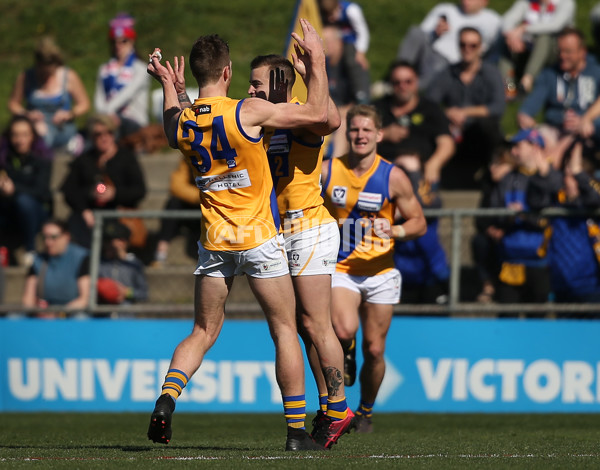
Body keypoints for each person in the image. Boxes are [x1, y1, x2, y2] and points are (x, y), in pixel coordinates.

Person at [146, 19, 335, 451]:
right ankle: (294, 432)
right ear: (228, 72)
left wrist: (168, 88)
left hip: (213, 243)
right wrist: (318, 64)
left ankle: (166, 400)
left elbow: (171, 128)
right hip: (259, 239)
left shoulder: (186, 119)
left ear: (196, 74)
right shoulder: (246, 111)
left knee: (203, 330)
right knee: (285, 329)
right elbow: (318, 115)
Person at [247, 54, 354, 447]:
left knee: (315, 324)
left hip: (308, 226)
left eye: (257, 84)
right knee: (301, 330)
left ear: (279, 84)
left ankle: (340, 408)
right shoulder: (262, 123)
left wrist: (316, 69)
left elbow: (329, 119)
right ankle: (328, 407)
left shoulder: (299, 116)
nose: (251, 91)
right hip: (280, 231)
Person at [321, 104, 427, 433]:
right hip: (343, 266)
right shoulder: (327, 171)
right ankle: (346, 355)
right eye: (354, 130)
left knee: (376, 348)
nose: (360, 135)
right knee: (342, 330)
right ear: (346, 133)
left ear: (379, 135)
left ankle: (366, 411)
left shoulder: (392, 176)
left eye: (367, 130)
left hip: (381, 271)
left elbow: (419, 222)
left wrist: (394, 230)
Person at [426, 27, 506, 190]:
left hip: (479, 134)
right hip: (453, 133)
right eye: (463, 45)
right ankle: (431, 187)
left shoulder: (491, 73)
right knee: (430, 127)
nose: (467, 49)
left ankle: (491, 179)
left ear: (480, 47)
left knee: (489, 126)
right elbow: (429, 104)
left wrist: (464, 112)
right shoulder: (447, 73)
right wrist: (447, 114)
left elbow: (498, 107)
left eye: (473, 45)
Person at [528, 139, 600, 305]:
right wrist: (542, 176)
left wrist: (577, 172)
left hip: (591, 285)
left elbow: (593, 199)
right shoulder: (557, 202)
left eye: (569, 176)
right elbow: (535, 203)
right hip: (561, 284)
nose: (564, 180)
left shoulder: (591, 204)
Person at [60, 113, 146, 249]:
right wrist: (85, 208)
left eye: (109, 133)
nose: (104, 138)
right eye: (98, 134)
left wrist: (115, 194)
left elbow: (139, 190)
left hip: (118, 215)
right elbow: (69, 190)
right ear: (91, 137)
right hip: (89, 216)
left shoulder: (126, 158)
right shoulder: (84, 160)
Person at [487, 128, 551, 308]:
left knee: (538, 320)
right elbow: (493, 211)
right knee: (507, 317)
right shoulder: (507, 179)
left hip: (541, 262)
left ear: (535, 146)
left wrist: (524, 214)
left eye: (518, 146)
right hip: (510, 260)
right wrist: (507, 216)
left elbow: (551, 219)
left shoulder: (550, 178)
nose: (513, 151)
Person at [372, 60, 455, 187]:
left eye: (408, 81)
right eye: (397, 82)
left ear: (416, 81)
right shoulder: (378, 108)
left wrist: (434, 164)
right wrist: (384, 134)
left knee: (412, 166)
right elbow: (356, 136)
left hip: (420, 171)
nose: (402, 86)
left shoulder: (431, 109)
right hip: (382, 169)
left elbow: (447, 143)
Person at [518, 27, 600, 153]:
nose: (562, 56)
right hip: (555, 129)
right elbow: (527, 110)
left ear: (582, 52)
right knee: (529, 143)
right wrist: (530, 124)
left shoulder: (596, 72)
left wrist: (585, 120)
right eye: (559, 51)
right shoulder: (549, 74)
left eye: (568, 52)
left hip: (588, 130)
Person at [8, 35, 90, 152]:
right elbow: (13, 104)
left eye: (50, 71)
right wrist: (27, 114)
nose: (46, 76)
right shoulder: (26, 77)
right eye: (42, 70)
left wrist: (70, 114)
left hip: (63, 127)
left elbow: (84, 104)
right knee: (39, 136)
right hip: (36, 128)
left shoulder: (69, 76)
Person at [396, 0, 501, 91]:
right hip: (428, 50)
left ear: (484, 2)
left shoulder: (492, 21)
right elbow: (422, 33)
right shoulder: (445, 9)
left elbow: (492, 52)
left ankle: (404, 90)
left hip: (450, 62)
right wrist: (435, 33)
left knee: (439, 67)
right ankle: (396, 75)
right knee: (415, 32)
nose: (465, 1)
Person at [393, 155, 450, 305]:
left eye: (408, 172)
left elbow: (427, 205)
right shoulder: (389, 191)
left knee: (436, 322)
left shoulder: (427, 190)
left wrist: (415, 173)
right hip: (402, 274)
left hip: (432, 274)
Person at [319, 0, 371, 158]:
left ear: (339, 42)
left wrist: (340, 111)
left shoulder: (353, 66)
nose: (324, 47)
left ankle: (334, 170)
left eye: (327, 42)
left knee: (341, 125)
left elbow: (363, 103)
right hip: (325, 116)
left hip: (345, 119)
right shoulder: (322, 66)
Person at [0, 116, 53, 266]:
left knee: (23, 201)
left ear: (33, 136)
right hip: (7, 210)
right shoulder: (4, 159)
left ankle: (31, 249)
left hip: (35, 211)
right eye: (15, 135)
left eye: (24, 134)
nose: (19, 139)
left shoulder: (42, 159)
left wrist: (14, 189)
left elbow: (42, 191)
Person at [499, 0, 575, 98]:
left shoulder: (565, 3)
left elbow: (555, 26)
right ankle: (509, 89)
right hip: (526, 47)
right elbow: (506, 21)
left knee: (544, 37)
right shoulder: (525, 3)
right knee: (507, 46)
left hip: (555, 51)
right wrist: (511, 37)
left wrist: (524, 28)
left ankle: (527, 81)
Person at [94, 13, 151, 139]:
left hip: (134, 122)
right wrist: (103, 117)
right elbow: (99, 99)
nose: (118, 45)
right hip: (108, 119)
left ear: (132, 42)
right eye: (114, 41)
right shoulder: (104, 69)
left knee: (112, 123)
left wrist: (105, 115)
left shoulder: (141, 69)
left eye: (123, 41)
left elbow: (125, 95)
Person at [21, 219, 90, 314]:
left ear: (66, 236)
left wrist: (59, 314)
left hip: (71, 313)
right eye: (45, 237)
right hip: (42, 313)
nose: (48, 242)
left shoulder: (81, 257)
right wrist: (38, 312)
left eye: (53, 237)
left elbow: (85, 299)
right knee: (14, 318)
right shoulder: (37, 260)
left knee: (81, 318)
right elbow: (28, 298)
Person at [152, 158, 200, 267]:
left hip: (214, 208)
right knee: (174, 203)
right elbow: (177, 186)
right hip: (198, 203)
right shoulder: (190, 157)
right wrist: (202, 197)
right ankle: (161, 253)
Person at [97, 220, 148, 305]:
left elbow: (144, 293)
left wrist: (126, 292)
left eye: (112, 241)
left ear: (123, 242)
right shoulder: (100, 263)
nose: (108, 245)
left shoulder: (133, 264)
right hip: (103, 314)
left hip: (125, 314)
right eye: (106, 241)